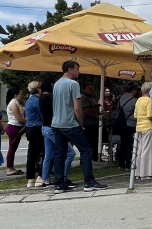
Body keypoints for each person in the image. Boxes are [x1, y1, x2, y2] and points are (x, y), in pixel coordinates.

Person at [51, 61, 108, 192]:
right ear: (70, 69)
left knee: (60, 153)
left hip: (57, 123)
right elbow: (77, 108)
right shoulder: (73, 84)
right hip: (70, 123)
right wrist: (81, 123)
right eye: (77, 69)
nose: (79, 71)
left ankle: (59, 184)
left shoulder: (57, 84)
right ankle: (89, 181)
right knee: (86, 150)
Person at [39, 78, 75, 187]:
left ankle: (45, 179)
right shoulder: (52, 97)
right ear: (51, 84)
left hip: (45, 127)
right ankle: (62, 177)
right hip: (53, 127)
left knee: (48, 155)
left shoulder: (41, 98)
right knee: (70, 153)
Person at [24, 81, 45, 187]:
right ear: (38, 89)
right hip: (38, 128)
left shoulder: (29, 100)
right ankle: (41, 176)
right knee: (46, 152)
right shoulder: (37, 101)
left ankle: (30, 178)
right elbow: (42, 115)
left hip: (30, 128)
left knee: (32, 154)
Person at [134, 82, 152, 179]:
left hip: (139, 127)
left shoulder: (138, 100)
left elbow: (135, 115)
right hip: (148, 127)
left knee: (139, 150)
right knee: (147, 150)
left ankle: (137, 172)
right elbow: (149, 115)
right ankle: (146, 173)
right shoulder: (149, 101)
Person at [114, 83, 139, 169]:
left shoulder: (121, 97)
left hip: (121, 123)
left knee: (123, 143)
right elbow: (136, 112)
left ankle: (120, 163)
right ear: (134, 90)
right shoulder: (134, 100)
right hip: (131, 123)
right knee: (129, 144)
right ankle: (128, 163)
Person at [4, 88, 26, 175]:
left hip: (17, 127)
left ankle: (11, 167)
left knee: (14, 148)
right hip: (14, 127)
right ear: (15, 95)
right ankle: (9, 168)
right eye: (21, 94)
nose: (22, 96)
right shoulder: (13, 104)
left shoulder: (17, 103)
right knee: (12, 148)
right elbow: (19, 118)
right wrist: (28, 121)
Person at [80, 83, 101, 162]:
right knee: (88, 143)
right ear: (84, 89)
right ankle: (85, 160)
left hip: (93, 124)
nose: (92, 90)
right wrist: (96, 115)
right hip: (87, 124)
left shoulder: (91, 98)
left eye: (92, 88)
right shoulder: (84, 97)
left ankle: (94, 158)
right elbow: (87, 111)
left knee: (94, 143)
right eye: (89, 89)